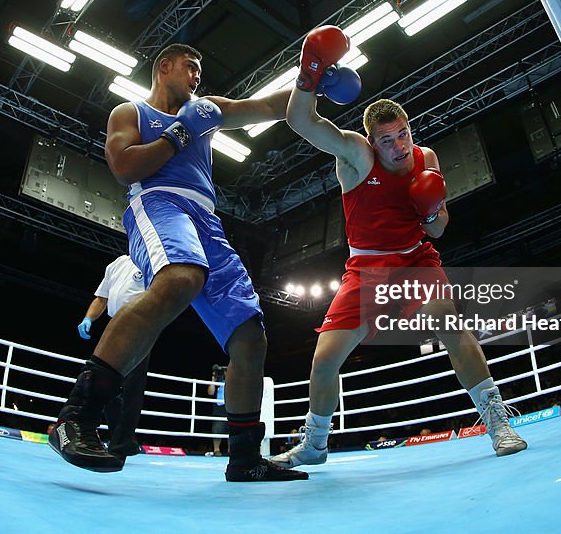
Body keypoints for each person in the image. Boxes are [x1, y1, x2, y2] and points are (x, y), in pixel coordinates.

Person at [50, 36, 347, 482]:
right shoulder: (131, 112)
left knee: (250, 334)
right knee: (180, 278)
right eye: (190, 67)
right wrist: (179, 133)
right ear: (164, 66)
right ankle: (76, 418)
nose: (196, 76)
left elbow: (268, 107)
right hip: (158, 202)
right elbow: (125, 167)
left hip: (206, 218)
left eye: (199, 71)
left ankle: (244, 458)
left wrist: (311, 80)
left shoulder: (207, 108)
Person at [271, 87, 528, 469]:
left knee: (450, 323)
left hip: (415, 260)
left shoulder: (427, 159)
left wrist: (427, 212)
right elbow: (301, 121)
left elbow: (438, 229)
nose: (399, 146)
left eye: (403, 134)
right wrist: (309, 77)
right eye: (387, 141)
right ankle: (315, 444)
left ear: (409, 129)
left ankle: (498, 424)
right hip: (367, 269)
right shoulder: (356, 155)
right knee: (324, 361)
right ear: (373, 143)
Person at [78, 254, 148, 458]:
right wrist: (88, 318)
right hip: (113, 325)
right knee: (103, 382)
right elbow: (102, 298)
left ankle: (122, 442)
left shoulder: (153, 260)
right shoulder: (117, 263)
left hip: (140, 325)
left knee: (132, 388)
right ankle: (123, 439)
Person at [206, 364, 228, 456]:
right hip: (219, 407)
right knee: (217, 428)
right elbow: (210, 392)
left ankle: (231, 450)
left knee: (232, 428)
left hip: (230, 405)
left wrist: (229, 377)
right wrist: (213, 379)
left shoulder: (233, 381)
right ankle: (216, 450)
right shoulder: (217, 382)